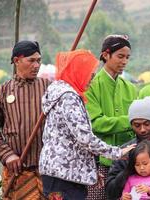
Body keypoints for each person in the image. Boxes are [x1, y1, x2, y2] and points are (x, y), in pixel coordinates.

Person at [39, 49, 135, 200]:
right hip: (64, 176)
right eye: (89, 72)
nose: (92, 77)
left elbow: (71, 140)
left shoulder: (60, 92)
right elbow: (84, 138)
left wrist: (88, 171)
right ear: (78, 71)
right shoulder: (68, 97)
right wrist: (117, 153)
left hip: (63, 172)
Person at [0, 40, 50, 199]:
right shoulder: (1, 92)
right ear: (17, 61)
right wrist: (7, 155)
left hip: (47, 173)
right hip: (18, 175)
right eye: (31, 60)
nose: (37, 65)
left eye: (39, 60)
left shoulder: (50, 88)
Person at [85, 34, 137, 199]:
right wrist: (131, 120)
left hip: (128, 160)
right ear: (106, 55)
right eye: (120, 56)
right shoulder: (91, 85)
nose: (124, 61)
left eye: (127, 57)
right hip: (101, 162)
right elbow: (95, 123)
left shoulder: (130, 87)